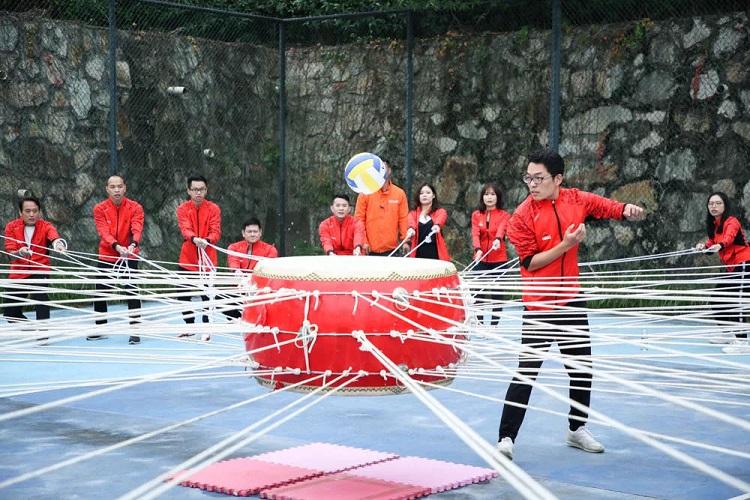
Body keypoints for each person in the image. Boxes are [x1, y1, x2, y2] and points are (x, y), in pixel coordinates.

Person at [496, 149, 645, 461]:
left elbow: (604, 206)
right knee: (527, 372)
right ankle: (506, 437)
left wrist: (625, 210)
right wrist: (566, 244)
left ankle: (577, 428)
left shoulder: (575, 199)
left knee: (581, 368)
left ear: (558, 179)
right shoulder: (521, 217)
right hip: (539, 305)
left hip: (571, 300)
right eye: (528, 178)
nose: (532, 184)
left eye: (539, 178)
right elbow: (530, 263)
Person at [3, 196, 67, 341]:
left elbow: (54, 237)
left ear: (39, 211)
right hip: (19, 272)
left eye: (35, 211)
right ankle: (32, 330)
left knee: (41, 299)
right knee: (10, 312)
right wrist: (20, 252)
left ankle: (43, 334)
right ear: (20, 212)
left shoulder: (46, 226)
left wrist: (58, 244)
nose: (32, 214)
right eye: (27, 211)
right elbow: (10, 253)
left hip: (40, 269)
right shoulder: (11, 227)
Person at [91, 175, 144, 344]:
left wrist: (133, 245)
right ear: (107, 189)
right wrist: (116, 246)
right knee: (100, 292)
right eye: (112, 187)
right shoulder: (100, 208)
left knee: (132, 291)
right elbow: (103, 232)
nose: (116, 190)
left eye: (119, 186)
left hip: (129, 254)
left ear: (125, 188)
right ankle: (100, 328)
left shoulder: (135, 207)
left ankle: (135, 330)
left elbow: (137, 228)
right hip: (107, 254)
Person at [695, 192, 750, 353]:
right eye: (711, 203)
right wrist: (703, 247)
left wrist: (720, 245)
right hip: (732, 267)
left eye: (718, 203)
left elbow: (728, 238)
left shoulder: (731, 221)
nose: (714, 206)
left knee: (737, 301)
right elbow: (712, 242)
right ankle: (727, 333)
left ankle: (742, 342)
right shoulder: (714, 224)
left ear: (725, 206)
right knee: (717, 298)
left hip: (744, 264)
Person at [176, 175, 222, 330]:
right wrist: (194, 238)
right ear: (188, 191)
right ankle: (189, 326)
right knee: (183, 294)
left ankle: (206, 327)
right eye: (195, 189)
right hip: (187, 259)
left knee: (208, 295)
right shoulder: (182, 209)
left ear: (206, 190)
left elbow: (215, 231)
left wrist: (207, 240)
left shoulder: (213, 208)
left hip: (208, 259)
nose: (198, 193)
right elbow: (185, 228)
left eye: (201, 189)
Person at [471, 182, 511, 325]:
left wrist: (498, 239)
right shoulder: (476, 215)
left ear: (497, 197)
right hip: (480, 258)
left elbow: (502, 229)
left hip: (498, 259)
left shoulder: (504, 215)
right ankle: (480, 323)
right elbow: (475, 234)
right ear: (482, 197)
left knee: (497, 293)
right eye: (486, 194)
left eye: (492, 194)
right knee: (478, 292)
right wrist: (478, 249)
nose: (489, 197)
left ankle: (494, 324)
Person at [224, 218, 278, 319]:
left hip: (259, 291)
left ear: (260, 233)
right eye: (249, 232)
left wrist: (252, 282)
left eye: (255, 231)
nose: (252, 234)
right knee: (222, 301)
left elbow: (267, 268)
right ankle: (240, 319)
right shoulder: (234, 247)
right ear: (243, 233)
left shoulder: (270, 250)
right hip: (239, 289)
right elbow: (233, 260)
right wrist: (237, 271)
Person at [354, 160, 409, 256]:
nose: (380, 170)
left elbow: (403, 219)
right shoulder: (365, 192)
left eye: (383, 167)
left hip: (392, 250)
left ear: (389, 170)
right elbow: (359, 219)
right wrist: (364, 241)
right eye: (377, 168)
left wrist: (406, 241)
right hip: (368, 250)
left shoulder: (399, 193)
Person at [406, 183, 450, 260]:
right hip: (418, 254)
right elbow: (411, 222)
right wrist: (411, 229)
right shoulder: (413, 213)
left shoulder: (439, 211)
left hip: (435, 254)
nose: (424, 195)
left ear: (433, 195)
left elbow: (441, 217)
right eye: (421, 193)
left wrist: (437, 225)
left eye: (428, 193)